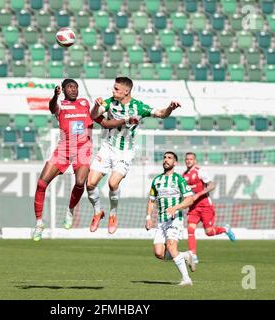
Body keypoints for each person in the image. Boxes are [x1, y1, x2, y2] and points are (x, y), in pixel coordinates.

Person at [32, 79, 138, 241]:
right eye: (70, 87)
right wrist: (55, 96)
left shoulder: (85, 104)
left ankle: (70, 210)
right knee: (41, 184)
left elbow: (105, 123)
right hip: (64, 149)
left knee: (81, 182)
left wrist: (124, 121)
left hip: (83, 149)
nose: (73, 90)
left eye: (75, 87)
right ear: (64, 90)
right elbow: (52, 107)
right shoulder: (61, 105)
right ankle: (39, 223)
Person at [87, 77, 182, 234]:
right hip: (107, 147)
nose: (113, 91)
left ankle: (113, 214)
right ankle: (97, 212)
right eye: (113, 88)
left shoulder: (138, 107)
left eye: (116, 89)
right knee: (90, 184)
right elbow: (93, 116)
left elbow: (161, 114)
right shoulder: (109, 102)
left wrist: (170, 108)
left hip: (125, 152)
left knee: (112, 183)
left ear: (126, 91)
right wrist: (96, 106)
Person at [146, 151, 196, 286]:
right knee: (158, 253)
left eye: (169, 158)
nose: (165, 160)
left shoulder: (179, 179)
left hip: (175, 219)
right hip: (162, 221)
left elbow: (190, 199)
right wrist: (148, 217)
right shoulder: (156, 180)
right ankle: (185, 255)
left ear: (175, 163)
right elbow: (151, 201)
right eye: (164, 158)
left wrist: (176, 207)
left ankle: (186, 279)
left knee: (171, 245)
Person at [182, 152, 236, 264]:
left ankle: (225, 229)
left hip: (205, 206)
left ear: (194, 161)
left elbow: (212, 185)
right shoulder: (183, 175)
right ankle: (193, 255)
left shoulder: (200, 171)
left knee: (209, 232)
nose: (188, 161)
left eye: (191, 159)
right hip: (193, 208)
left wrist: (198, 194)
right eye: (187, 159)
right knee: (190, 229)